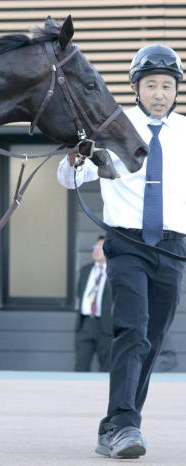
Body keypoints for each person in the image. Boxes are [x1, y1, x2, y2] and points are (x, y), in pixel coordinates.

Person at [57, 44, 186, 459]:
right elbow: (68, 179)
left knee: (150, 338)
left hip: (173, 246)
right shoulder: (113, 127)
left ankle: (116, 426)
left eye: (168, 85)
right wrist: (78, 156)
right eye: (151, 85)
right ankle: (126, 426)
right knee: (131, 330)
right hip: (127, 244)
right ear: (135, 87)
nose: (160, 93)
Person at [74, 236, 112, 372]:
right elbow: (80, 293)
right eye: (95, 247)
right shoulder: (85, 270)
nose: (96, 250)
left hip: (106, 325)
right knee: (80, 366)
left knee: (107, 367)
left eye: (100, 248)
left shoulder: (114, 272)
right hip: (86, 323)